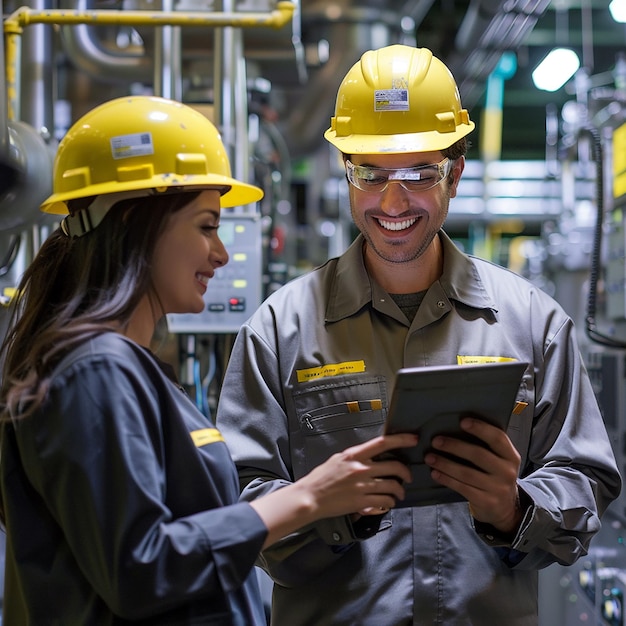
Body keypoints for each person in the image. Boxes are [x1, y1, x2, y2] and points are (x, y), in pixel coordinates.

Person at [215, 44, 622, 625]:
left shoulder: (533, 324)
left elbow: (586, 481)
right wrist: (331, 510)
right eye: (371, 174)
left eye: (417, 173)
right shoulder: (279, 330)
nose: (392, 201)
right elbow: (238, 503)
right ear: (346, 173)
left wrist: (513, 509)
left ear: (454, 174)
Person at [0, 95, 418, 625]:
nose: (221, 253)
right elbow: (140, 568)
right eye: (205, 226)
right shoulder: (95, 372)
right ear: (136, 221)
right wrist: (308, 497)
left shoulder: (126, 370)